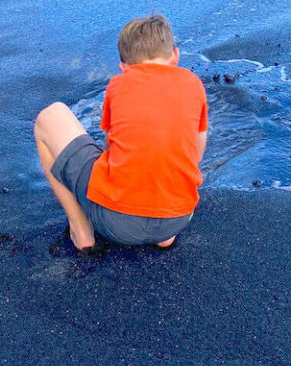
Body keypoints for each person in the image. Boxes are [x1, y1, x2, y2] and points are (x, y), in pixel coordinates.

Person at [34, 14, 208, 251]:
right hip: (177, 218)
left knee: (50, 115)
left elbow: (110, 145)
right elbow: (196, 152)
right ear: (175, 57)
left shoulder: (118, 84)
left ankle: (81, 230)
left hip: (115, 223)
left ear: (124, 67)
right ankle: (163, 235)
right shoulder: (194, 83)